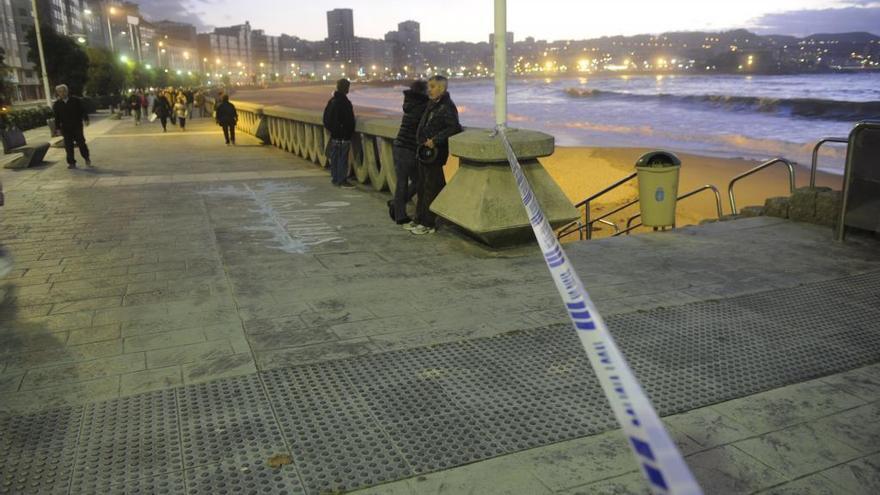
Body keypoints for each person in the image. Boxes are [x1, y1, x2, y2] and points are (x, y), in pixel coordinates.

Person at [410, 75, 462, 235]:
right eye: (429, 86)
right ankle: (419, 219)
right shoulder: (433, 104)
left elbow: (454, 127)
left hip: (435, 154)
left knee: (431, 188)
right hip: (424, 152)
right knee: (422, 186)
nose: (429, 89)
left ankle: (428, 223)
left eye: (432, 86)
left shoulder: (447, 106)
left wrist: (436, 140)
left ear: (442, 88)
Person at [390, 80, 429, 226]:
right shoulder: (423, 106)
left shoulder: (410, 104)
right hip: (408, 148)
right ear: (422, 91)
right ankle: (400, 215)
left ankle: (397, 206)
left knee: (405, 182)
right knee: (415, 182)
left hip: (399, 146)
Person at [322, 78, 356, 188]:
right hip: (343, 136)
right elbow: (348, 120)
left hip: (334, 136)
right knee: (342, 158)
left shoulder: (332, 101)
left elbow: (326, 119)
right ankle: (342, 180)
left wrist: (333, 130)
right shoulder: (344, 102)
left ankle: (335, 178)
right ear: (345, 88)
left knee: (335, 157)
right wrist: (346, 132)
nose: (348, 89)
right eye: (347, 87)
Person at [52, 84, 91, 169]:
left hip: (77, 126)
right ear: (58, 93)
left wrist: (86, 119)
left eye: (63, 91)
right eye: (59, 92)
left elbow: (83, 110)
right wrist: (57, 128)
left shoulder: (75, 100)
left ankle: (86, 157)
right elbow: (57, 117)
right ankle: (71, 163)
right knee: (68, 146)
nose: (62, 93)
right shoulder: (57, 104)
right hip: (65, 128)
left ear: (67, 91)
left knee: (81, 143)